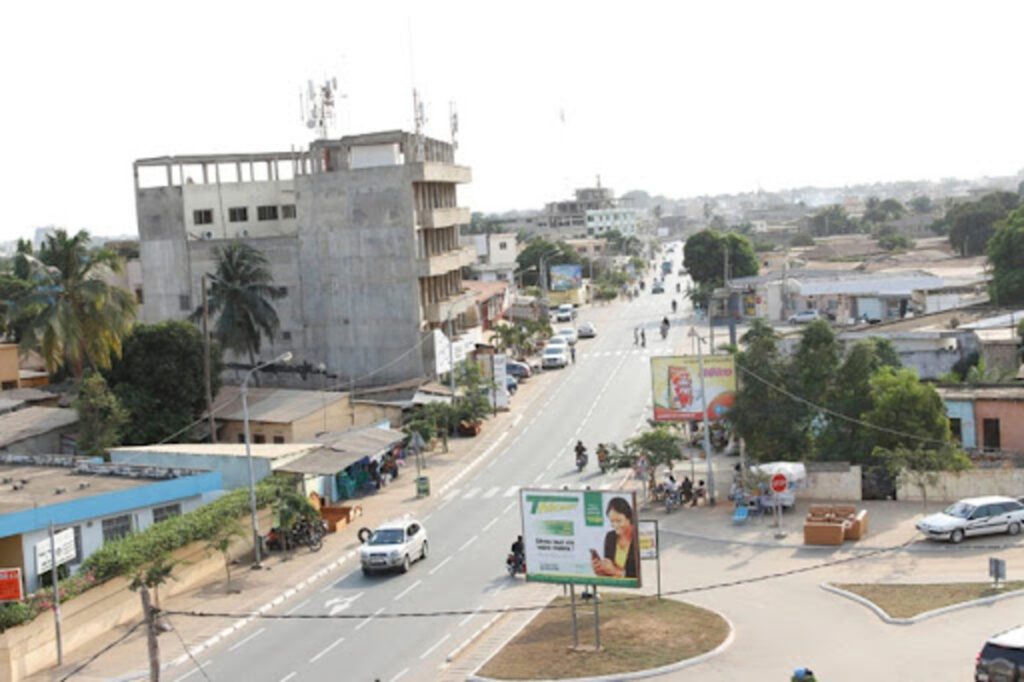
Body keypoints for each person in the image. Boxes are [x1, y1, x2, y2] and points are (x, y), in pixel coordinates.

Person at [591, 497, 639, 579]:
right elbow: (609, 573)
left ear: (629, 519)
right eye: (612, 521)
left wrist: (615, 571)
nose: (615, 525)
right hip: (615, 588)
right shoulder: (610, 537)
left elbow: (639, 575)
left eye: (619, 521)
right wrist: (600, 570)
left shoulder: (638, 538)